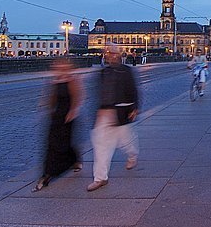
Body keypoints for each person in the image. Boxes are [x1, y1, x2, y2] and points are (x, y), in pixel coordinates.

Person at [88, 49, 139, 192]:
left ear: (120, 56)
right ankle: (100, 178)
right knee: (101, 146)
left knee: (126, 141)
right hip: (104, 113)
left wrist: (135, 108)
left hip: (121, 112)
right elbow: (100, 92)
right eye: (109, 54)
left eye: (114, 54)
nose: (111, 57)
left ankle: (132, 154)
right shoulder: (103, 72)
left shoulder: (126, 71)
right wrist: (99, 110)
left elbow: (133, 90)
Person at [33, 58, 82, 191]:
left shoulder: (72, 80)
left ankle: (69, 163)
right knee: (52, 143)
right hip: (56, 116)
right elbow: (50, 99)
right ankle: (48, 172)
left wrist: (73, 111)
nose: (59, 68)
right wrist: (46, 108)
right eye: (57, 66)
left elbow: (77, 97)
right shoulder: (54, 81)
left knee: (64, 143)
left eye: (62, 66)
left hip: (68, 116)